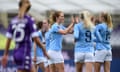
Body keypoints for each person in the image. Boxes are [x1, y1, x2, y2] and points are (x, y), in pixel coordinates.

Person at [1, 0, 49, 72]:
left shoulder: (13, 21)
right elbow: (35, 38)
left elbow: (8, 39)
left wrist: (5, 54)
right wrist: (43, 49)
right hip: (24, 53)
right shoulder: (29, 20)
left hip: (16, 52)